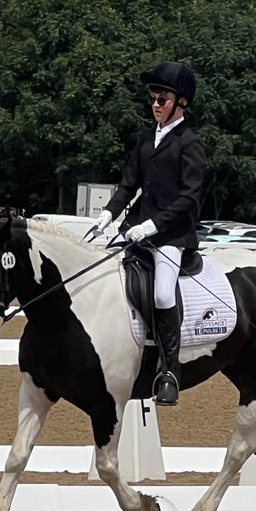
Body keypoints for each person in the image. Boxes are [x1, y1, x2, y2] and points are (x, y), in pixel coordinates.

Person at [93, 61, 206, 406]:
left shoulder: (190, 144)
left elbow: (190, 197)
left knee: (160, 295)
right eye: (153, 98)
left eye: (163, 98)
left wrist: (153, 225)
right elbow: (129, 185)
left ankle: (169, 371)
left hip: (172, 237)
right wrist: (108, 214)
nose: (156, 103)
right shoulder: (145, 140)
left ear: (181, 102)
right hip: (137, 232)